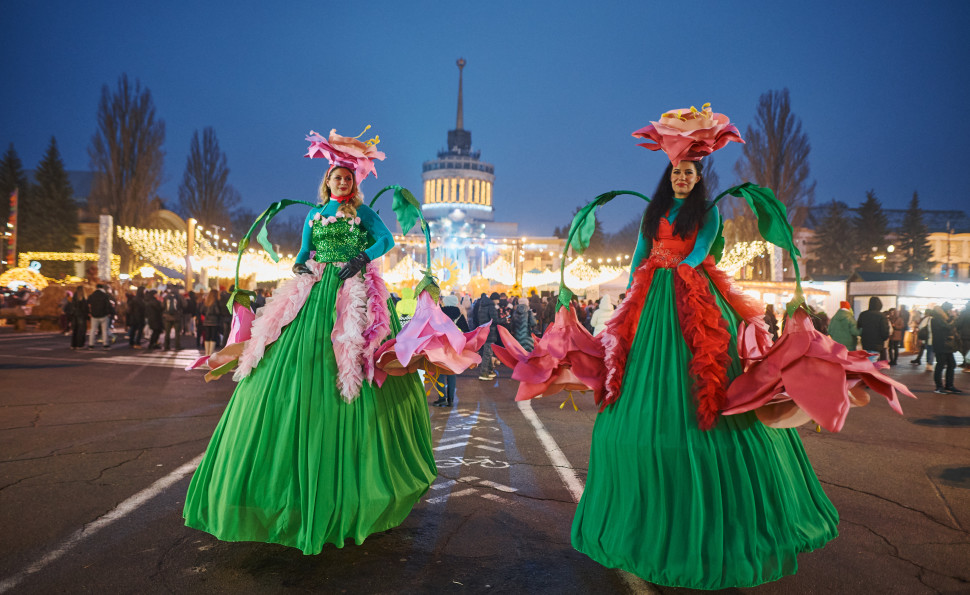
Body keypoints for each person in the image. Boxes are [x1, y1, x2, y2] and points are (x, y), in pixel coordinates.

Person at [571, 108, 837, 590]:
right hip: (652, 299)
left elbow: (699, 251)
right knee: (638, 385)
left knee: (708, 370)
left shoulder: (708, 212)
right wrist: (636, 291)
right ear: (667, 176)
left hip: (692, 294)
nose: (681, 178)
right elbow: (638, 256)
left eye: (688, 172)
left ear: (698, 177)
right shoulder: (656, 212)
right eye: (675, 172)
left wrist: (671, 269)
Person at [184, 129, 435, 554]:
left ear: (354, 184)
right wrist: (302, 268)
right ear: (327, 182)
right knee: (284, 360)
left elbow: (386, 240)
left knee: (356, 357)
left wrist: (361, 258)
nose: (341, 184)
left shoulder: (362, 216)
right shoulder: (314, 216)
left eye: (347, 179)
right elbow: (302, 253)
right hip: (315, 293)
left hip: (354, 293)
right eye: (336, 179)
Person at [433, 294, 469, 407]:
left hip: (440, 346)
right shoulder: (459, 315)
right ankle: (451, 399)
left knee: (439, 372)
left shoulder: (439, 313)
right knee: (452, 372)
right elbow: (466, 331)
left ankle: (442, 397)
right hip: (454, 347)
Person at [928, 302, 962, 394]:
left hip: (946, 345)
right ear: (946, 310)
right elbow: (947, 327)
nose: (951, 311)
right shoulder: (937, 318)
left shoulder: (943, 318)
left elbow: (948, 325)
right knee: (940, 365)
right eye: (950, 309)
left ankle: (949, 385)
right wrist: (954, 319)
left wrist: (952, 318)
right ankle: (939, 387)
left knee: (952, 364)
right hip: (941, 345)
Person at [474, 292, 501, 380]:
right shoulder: (491, 306)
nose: (498, 302)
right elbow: (495, 320)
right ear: (495, 299)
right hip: (490, 331)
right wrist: (504, 319)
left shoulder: (482, 305)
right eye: (498, 300)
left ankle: (489, 371)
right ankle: (484, 373)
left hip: (484, 330)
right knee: (488, 353)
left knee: (488, 351)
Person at [86, 284, 112, 350]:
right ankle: (105, 345)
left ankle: (91, 345)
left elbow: (88, 305)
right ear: (102, 288)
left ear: (96, 288)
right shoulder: (105, 295)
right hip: (103, 315)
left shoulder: (92, 295)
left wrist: (89, 313)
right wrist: (108, 313)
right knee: (104, 331)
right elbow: (108, 305)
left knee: (93, 330)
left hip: (94, 315)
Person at [161, 286, 184, 351]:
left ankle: (166, 346)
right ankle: (177, 346)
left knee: (167, 332)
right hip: (177, 317)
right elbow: (185, 305)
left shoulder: (166, 297)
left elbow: (162, 306)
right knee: (177, 332)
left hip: (167, 317)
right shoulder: (179, 297)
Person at [200, 288, 221, 356]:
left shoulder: (207, 301)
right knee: (213, 336)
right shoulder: (216, 301)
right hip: (214, 321)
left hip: (206, 321)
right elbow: (217, 312)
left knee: (207, 336)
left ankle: (206, 353)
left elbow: (201, 311)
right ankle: (210, 353)